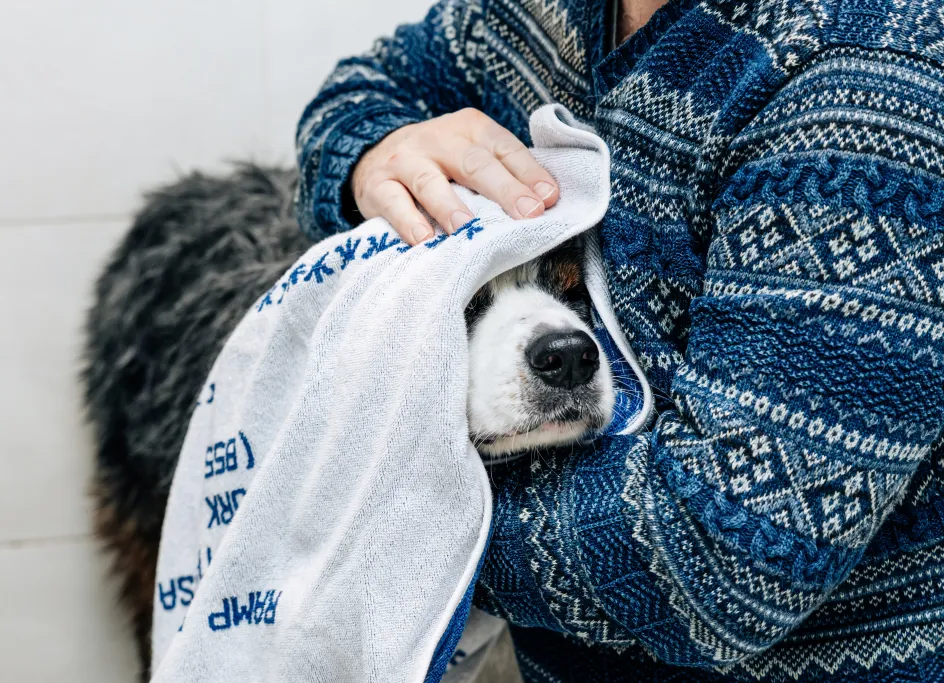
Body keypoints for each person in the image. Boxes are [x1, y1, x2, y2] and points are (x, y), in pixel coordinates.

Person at [295, 0, 944, 680]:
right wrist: (377, 159)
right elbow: (361, 92)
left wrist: (364, 503)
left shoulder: (872, 73)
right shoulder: (530, 13)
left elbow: (724, 561)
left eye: (569, 291)